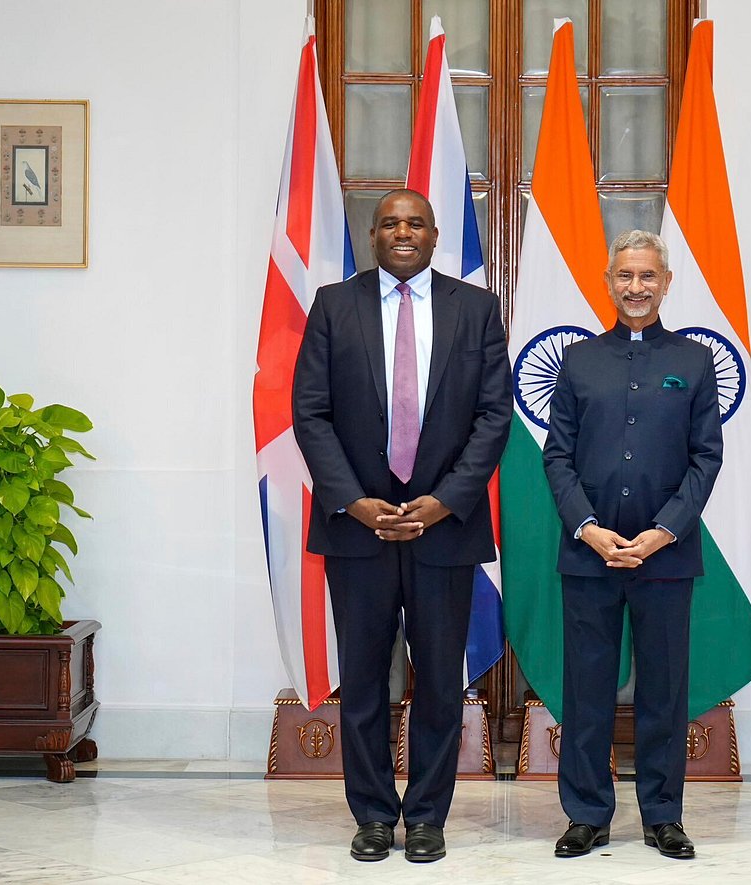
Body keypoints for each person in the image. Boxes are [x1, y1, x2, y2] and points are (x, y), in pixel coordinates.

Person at [293, 189, 512, 863]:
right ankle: (372, 815)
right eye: (390, 222)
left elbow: (493, 416)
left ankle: (426, 817)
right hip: (358, 528)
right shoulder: (335, 305)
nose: (402, 231)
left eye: (414, 221)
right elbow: (310, 411)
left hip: (443, 528)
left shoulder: (475, 309)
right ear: (372, 233)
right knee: (362, 679)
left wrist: (445, 500)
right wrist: (353, 501)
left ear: (436, 233)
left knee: (440, 680)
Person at [542, 229, 724, 860]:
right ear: (609, 281)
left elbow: (706, 459)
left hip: (666, 557)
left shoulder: (694, 363)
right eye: (625, 276)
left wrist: (659, 533)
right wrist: (589, 529)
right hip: (588, 555)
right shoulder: (579, 361)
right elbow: (556, 456)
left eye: (648, 276)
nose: (636, 287)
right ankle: (587, 814)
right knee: (586, 692)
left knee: (663, 692)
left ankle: (663, 815)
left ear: (666, 283)